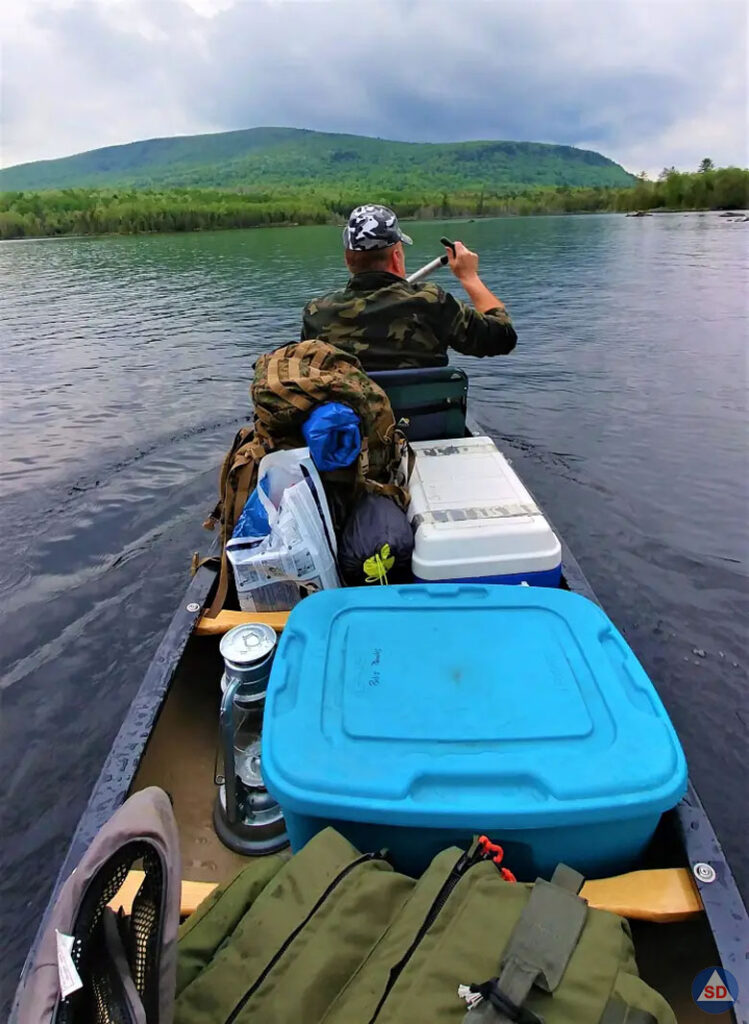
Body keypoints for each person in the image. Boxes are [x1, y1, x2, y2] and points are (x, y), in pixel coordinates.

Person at [300, 204, 517, 371]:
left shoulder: (317, 313)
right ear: (396, 256)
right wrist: (469, 277)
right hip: (426, 424)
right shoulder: (431, 302)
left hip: (353, 428)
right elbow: (503, 337)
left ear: (348, 259)